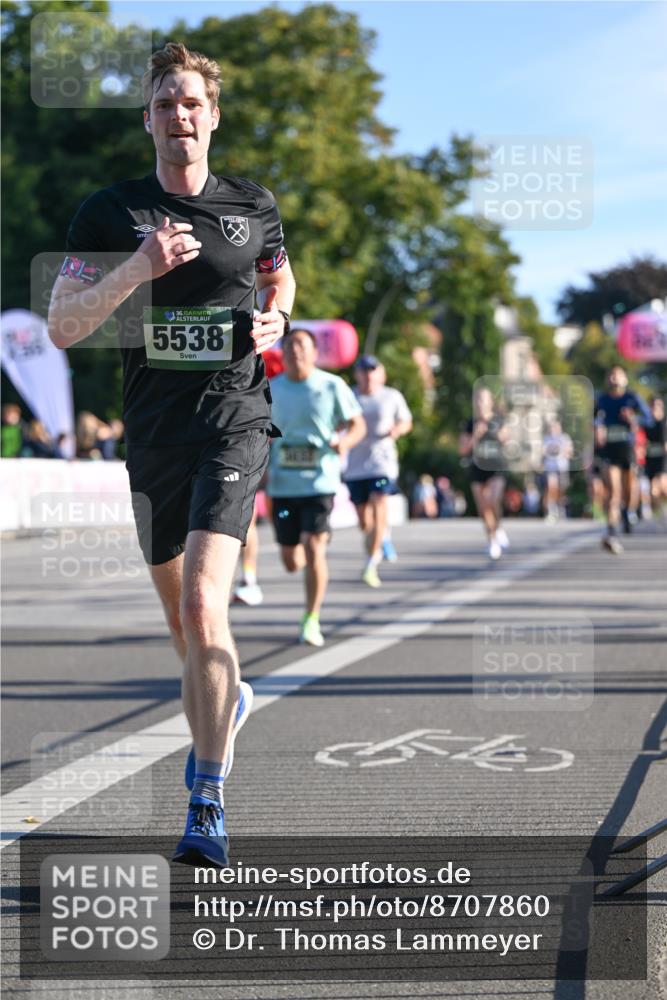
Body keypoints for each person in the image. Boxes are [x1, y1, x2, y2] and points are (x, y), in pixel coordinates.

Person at [48, 42, 296, 866]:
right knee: (181, 623)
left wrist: (277, 317)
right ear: (147, 121)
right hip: (154, 431)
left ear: (212, 116)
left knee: (200, 603)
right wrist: (138, 267)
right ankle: (229, 698)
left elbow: (279, 279)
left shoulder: (251, 204)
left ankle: (206, 798)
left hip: (233, 419)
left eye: (191, 103)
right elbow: (64, 326)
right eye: (164, 104)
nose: (178, 115)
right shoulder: (110, 210)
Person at [267, 328, 365, 646]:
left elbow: (358, 424)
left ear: (314, 353)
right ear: (282, 354)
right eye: (290, 346)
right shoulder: (271, 388)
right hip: (283, 485)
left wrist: (344, 443)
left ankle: (311, 618)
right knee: (291, 560)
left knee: (313, 548)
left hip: (321, 481)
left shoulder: (332, 385)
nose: (296, 351)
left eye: (302, 346)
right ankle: (298, 553)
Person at [343, 355, 412, 587]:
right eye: (364, 371)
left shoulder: (391, 396)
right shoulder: (349, 396)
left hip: (382, 464)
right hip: (355, 467)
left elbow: (406, 421)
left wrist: (398, 429)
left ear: (381, 374)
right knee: (365, 522)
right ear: (357, 374)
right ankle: (381, 538)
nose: (368, 375)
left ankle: (371, 564)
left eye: (373, 370)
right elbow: (337, 421)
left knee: (379, 502)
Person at [595, 365, 653, 554]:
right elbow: (593, 418)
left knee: (628, 490)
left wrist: (634, 419)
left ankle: (628, 513)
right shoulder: (602, 399)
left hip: (627, 449)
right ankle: (611, 532)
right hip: (610, 449)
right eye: (611, 375)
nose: (614, 378)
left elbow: (649, 419)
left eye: (618, 375)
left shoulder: (632, 398)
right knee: (614, 491)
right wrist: (598, 429)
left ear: (625, 379)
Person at [459, 386, 510, 560]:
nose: (480, 403)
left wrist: (494, 432)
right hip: (477, 468)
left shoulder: (498, 420)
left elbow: (506, 439)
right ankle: (492, 540)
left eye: (483, 399)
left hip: (496, 467)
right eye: (477, 400)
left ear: (490, 402)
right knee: (482, 507)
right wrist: (475, 435)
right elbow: (463, 450)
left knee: (493, 500)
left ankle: (498, 528)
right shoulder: (470, 424)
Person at [542, 418, 573, 523]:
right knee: (552, 487)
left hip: (562, 467)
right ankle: (552, 510)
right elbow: (543, 452)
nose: (553, 429)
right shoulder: (547, 439)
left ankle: (561, 508)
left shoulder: (564, 438)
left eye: (555, 426)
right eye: (552, 427)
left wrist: (563, 450)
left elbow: (570, 452)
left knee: (561, 490)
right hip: (551, 467)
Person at [645, 396, 667, 524]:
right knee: (655, 492)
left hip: (663, 461)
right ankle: (662, 513)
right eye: (653, 406)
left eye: (658, 406)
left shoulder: (664, 424)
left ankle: (662, 514)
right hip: (651, 462)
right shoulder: (647, 425)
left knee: (660, 487)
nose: (655, 409)